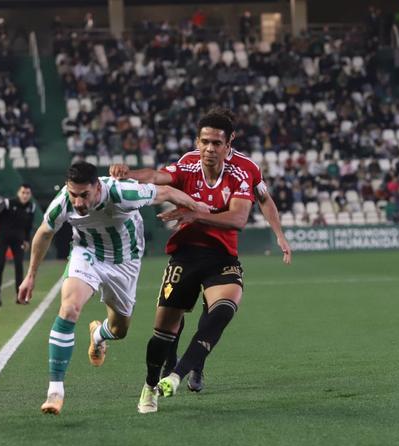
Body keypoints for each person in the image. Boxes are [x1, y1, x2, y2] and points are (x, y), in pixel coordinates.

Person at [112, 108, 291, 394]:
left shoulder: (245, 170)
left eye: (217, 142)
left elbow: (261, 202)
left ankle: (191, 368)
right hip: (186, 252)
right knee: (172, 319)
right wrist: (129, 174)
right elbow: (158, 176)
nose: (210, 148)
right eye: (205, 141)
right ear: (198, 142)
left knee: (215, 312)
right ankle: (171, 367)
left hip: (221, 253)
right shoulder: (188, 163)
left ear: (229, 142)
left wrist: (279, 234)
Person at [17, 161, 208, 415]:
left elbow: (168, 192)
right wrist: (30, 275)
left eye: (84, 195)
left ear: (97, 187)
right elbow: (44, 233)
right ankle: (55, 391)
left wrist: (199, 208)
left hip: (125, 263)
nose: (78, 202)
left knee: (120, 329)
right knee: (70, 307)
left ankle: (98, 335)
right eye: (74, 194)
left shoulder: (123, 192)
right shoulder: (64, 201)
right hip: (88, 254)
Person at [0, 184, 35, 307]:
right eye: (23, 192)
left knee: (19, 266)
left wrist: (26, 240)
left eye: (27, 193)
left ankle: (20, 297)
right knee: (0, 264)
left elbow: (28, 226)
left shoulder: (31, 207)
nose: (25, 195)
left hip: (18, 240)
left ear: (30, 195)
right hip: (2, 238)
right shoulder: (7, 203)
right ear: (19, 193)